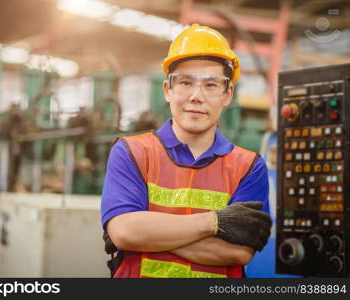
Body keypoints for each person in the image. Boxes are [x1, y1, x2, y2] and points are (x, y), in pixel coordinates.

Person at [101, 24, 272, 278]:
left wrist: (150, 235)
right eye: (185, 82)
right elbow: (126, 233)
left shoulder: (249, 167)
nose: (196, 96)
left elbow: (239, 252)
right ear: (168, 90)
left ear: (228, 94)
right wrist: (216, 222)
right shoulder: (130, 152)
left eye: (211, 85)